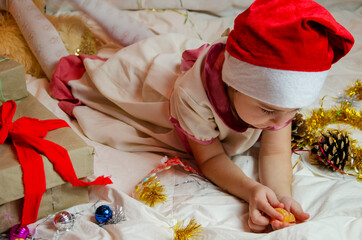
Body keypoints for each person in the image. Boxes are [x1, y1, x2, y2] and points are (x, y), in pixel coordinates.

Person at [2, 0, 354, 233]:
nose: (279, 120)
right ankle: (17, 4)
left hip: (175, 58)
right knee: (70, 73)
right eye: (269, 111)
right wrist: (249, 189)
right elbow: (212, 158)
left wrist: (278, 197)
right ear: (233, 83)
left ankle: (100, 12)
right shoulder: (194, 97)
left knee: (147, 39)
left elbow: (275, 151)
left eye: (289, 113)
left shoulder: (274, 98)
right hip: (149, 85)